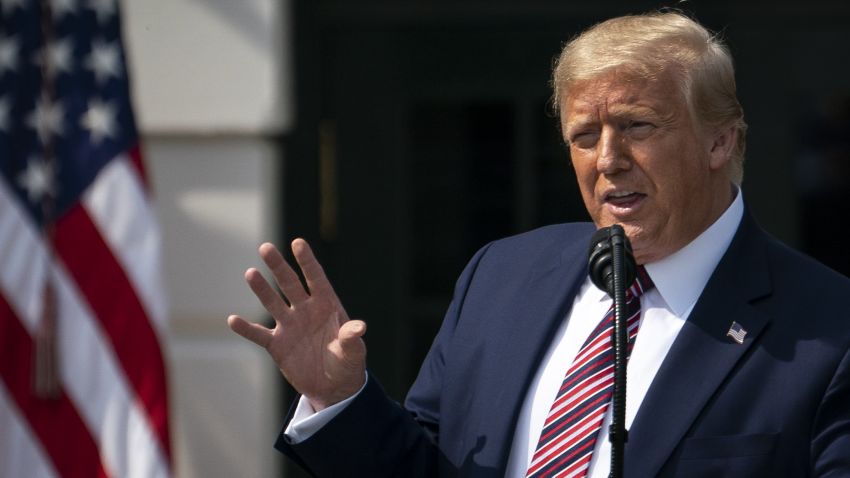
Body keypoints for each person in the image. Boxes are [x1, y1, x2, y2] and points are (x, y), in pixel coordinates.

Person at [227, 11, 850, 478]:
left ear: (720, 142)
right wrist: (341, 400)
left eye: (637, 126)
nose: (608, 159)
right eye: (584, 135)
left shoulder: (829, 328)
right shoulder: (502, 275)